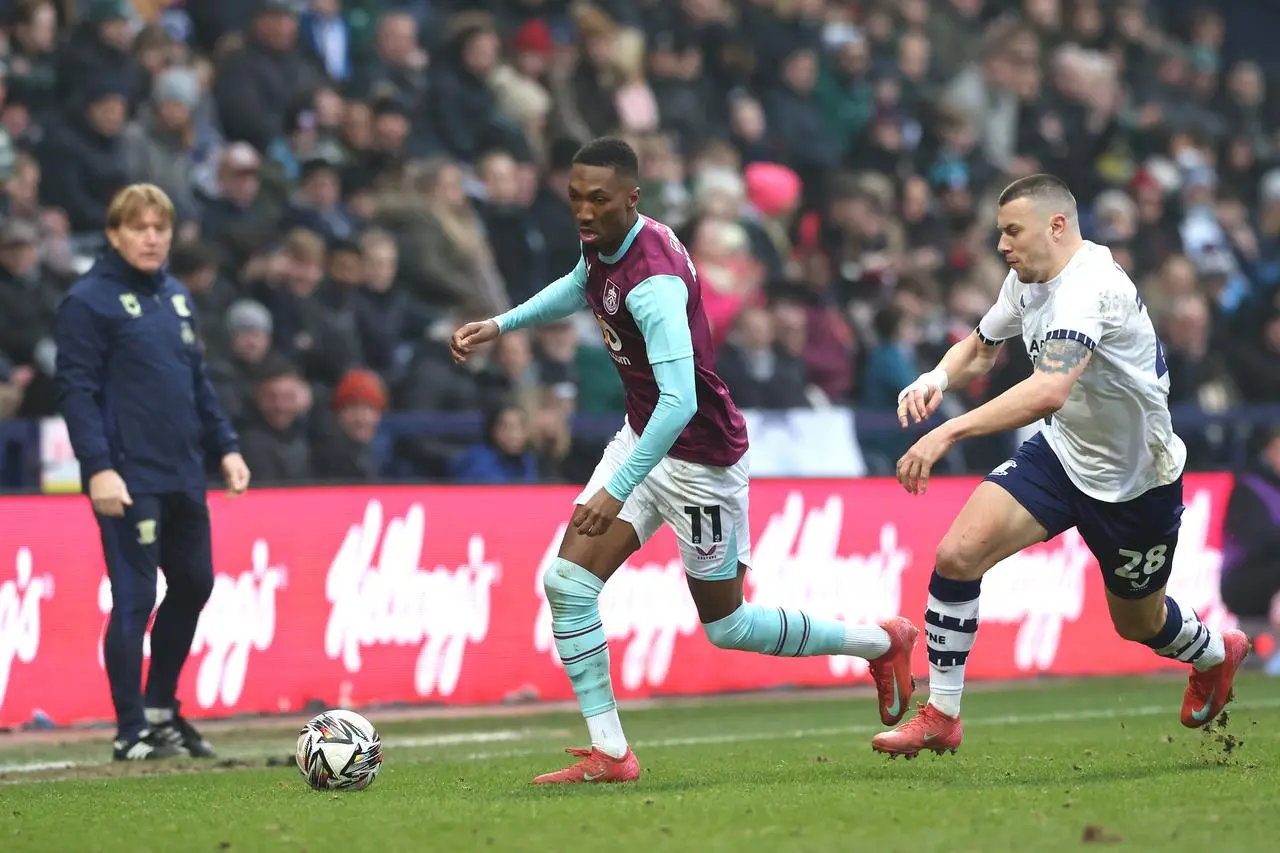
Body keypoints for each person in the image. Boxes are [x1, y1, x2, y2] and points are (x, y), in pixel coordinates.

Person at [451, 137, 919, 785]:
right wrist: (502, 324)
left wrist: (614, 488)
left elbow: (681, 401)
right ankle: (612, 753)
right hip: (644, 437)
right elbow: (584, 285)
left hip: (699, 461)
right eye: (576, 198)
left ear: (632, 199)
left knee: (727, 624)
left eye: (598, 200)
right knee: (567, 584)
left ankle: (882, 640)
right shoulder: (611, 240)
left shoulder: (656, 286)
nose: (583, 212)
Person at [873, 174, 1250, 758]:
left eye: (1012, 231)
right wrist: (936, 378)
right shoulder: (1028, 280)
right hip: (1062, 455)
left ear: (1057, 226)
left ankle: (1214, 655)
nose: (1002, 245)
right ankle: (943, 713)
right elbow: (981, 345)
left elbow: (1048, 389)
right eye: (1001, 233)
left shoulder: (1090, 288)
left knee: (1139, 623)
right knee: (957, 555)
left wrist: (948, 428)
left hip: (1136, 483)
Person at [54, 183, 252, 762]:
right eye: (138, 227)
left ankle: (162, 709)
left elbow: (198, 385)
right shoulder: (87, 301)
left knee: (195, 583)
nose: (151, 237)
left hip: (183, 470)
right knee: (136, 595)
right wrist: (97, 469)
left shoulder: (176, 298)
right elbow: (77, 392)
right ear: (114, 234)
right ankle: (131, 728)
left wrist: (228, 448)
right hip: (127, 475)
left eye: (160, 228)